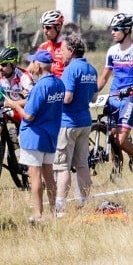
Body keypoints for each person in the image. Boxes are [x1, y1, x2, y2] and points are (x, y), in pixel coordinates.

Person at [5, 50, 65, 222]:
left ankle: (38, 214)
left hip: (34, 135)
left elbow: (29, 115)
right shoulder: (58, 84)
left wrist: (14, 106)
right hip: (50, 135)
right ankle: (54, 211)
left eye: (32, 63)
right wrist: (20, 102)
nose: (29, 66)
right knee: (48, 174)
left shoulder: (40, 86)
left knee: (35, 174)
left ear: (38, 65)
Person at [95, 13, 133, 167]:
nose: (112, 32)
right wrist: (93, 91)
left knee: (120, 139)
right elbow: (104, 77)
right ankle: (117, 171)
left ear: (127, 30)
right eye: (111, 29)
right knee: (112, 135)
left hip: (130, 97)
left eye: (116, 29)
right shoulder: (112, 51)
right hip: (114, 97)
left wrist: (132, 89)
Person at [55, 33, 98, 215]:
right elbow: (94, 97)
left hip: (68, 123)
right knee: (82, 165)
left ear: (71, 51)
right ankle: (86, 202)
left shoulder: (71, 70)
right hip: (85, 121)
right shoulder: (91, 69)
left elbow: (67, 97)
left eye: (63, 50)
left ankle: (60, 207)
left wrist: (53, 98)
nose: (61, 54)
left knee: (63, 166)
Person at [35, 10, 66, 77]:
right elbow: (31, 68)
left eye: (48, 27)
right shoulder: (43, 46)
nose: (45, 31)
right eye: (43, 27)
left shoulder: (68, 47)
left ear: (58, 27)